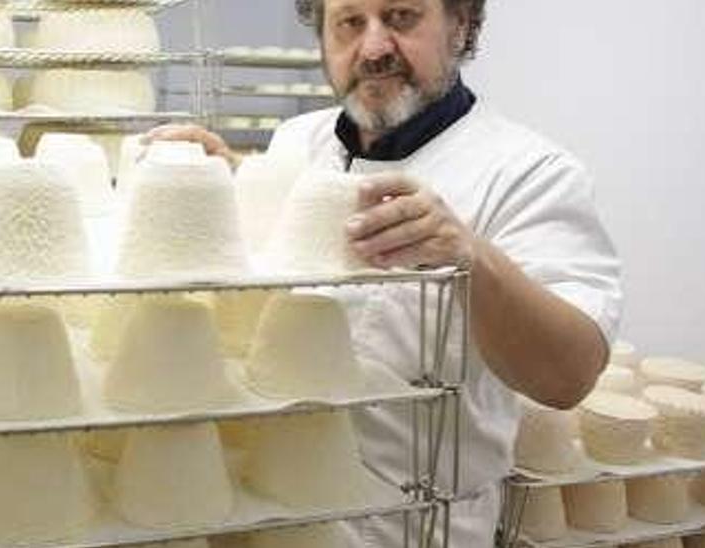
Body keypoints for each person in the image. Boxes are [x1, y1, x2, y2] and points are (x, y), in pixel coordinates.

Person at [148, 0, 622, 545]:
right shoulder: (298, 141)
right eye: (350, 23)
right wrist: (232, 179)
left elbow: (568, 375)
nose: (373, 48)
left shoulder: (529, 173)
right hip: (269, 510)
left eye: (401, 17)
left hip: (410, 526)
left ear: (459, 25)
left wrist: (469, 254)